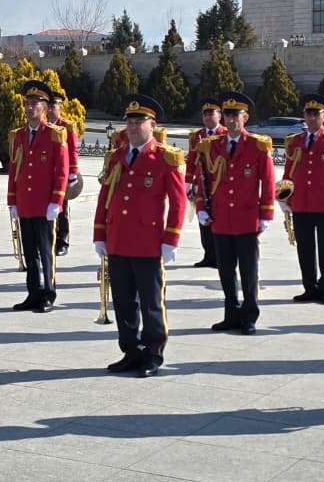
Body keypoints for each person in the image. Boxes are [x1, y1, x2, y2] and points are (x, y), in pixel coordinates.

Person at [94, 93, 186, 377]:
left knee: (150, 302)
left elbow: (179, 202)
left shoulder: (165, 158)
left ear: (152, 125)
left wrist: (171, 240)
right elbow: (105, 197)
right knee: (123, 301)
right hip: (118, 240)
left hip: (148, 243)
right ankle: (130, 351)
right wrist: (99, 233)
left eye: (139, 122)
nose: (133, 127)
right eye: (130, 122)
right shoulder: (117, 157)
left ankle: (153, 353)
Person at [195, 91, 274, 333]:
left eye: (235, 115)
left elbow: (268, 182)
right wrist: (201, 207)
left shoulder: (257, 146)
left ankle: (249, 316)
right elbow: (202, 179)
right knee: (226, 271)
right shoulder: (211, 146)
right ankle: (231, 313)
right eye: (227, 115)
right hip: (221, 218)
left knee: (249, 272)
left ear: (245, 117)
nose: (230, 120)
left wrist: (266, 213)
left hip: (247, 219)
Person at [281, 93, 324, 304]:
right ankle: (309, 287)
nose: (311, 118)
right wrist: (284, 197)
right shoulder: (295, 141)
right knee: (304, 248)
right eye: (308, 113)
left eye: (315, 114)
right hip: (301, 203)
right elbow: (288, 171)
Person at [7, 80, 70, 312]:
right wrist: (12, 200)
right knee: (30, 252)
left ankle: (48, 294)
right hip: (25, 203)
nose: (30, 107)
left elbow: (61, 171)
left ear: (45, 107)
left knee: (46, 252)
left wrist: (57, 201)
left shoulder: (55, 135)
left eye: (35, 103)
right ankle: (33, 292)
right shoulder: (19, 136)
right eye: (27, 103)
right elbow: (14, 168)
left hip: (45, 205)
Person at [186, 97, 227, 268]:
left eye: (212, 114)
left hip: (219, 182)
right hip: (201, 183)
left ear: (219, 116)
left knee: (219, 220)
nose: (208, 117)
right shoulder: (197, 136)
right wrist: (188, 184)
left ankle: (220, 256)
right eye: (205, 115)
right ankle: (208, 255)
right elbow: (191, 160)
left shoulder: (225, 134)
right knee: (203, 220)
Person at [47, 92, 81, 256]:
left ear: (60, 107)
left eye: (53, 106)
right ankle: (49, 239)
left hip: (63, 174)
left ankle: (63, 242)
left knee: (62, 209)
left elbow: (73, 150)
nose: (50, 109)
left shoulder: (67, 126)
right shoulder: (44, 126)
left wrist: (73, 172)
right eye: (48, 106)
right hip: (47, 174)